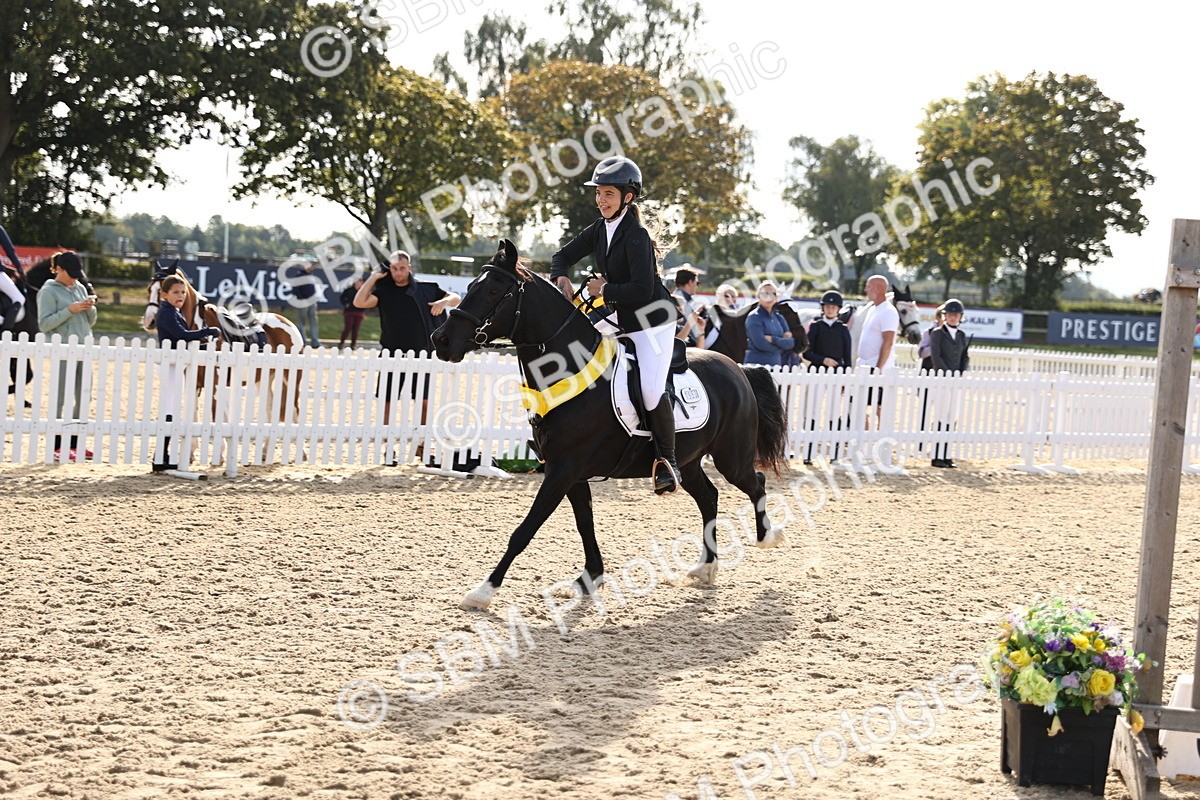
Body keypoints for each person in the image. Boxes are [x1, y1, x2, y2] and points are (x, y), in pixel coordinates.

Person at [550, 155, 682, 495]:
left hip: (652, 323)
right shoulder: (598, 229)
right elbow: (561, 256)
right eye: (598, 194)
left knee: (652, 390)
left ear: (628, 197)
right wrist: (561, 277)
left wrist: (603, 290)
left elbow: (642, 289)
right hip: (622, 316)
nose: (601, 200)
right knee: (581, 353)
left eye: (608, 194)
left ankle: (667, 462)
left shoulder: (635, 235)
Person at [354, 250, 460, 460]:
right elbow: (359, 302)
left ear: (409, 268)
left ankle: (421, 444)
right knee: (387, 401)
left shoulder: (426, 289)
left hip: (422, 356)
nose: (398, 273)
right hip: (391, 356)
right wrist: (374, 277)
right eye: (394, 269)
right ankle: (387, 447)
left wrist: (443, 303)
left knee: (424, 402)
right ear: (390, 269)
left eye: (402, 268)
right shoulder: (384, 291)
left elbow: (455, 298)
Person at [153, 275, 221, 472]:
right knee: (169, 409)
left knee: (173, 409)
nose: (180, 296)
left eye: (183, 292)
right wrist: (206, 332)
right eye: (175, 292)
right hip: (170, 365)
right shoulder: (166, 313)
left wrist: (202, 339)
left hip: (176, 363)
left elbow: (184, 338)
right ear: (164, 295)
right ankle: (161, 456)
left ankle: (164, 456)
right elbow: (182, 334)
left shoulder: (175, 311)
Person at [37, 252, 97, 461]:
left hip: (83, 348)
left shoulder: (79, 287)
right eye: (70, 274)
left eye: (76, 274)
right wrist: (69, 310)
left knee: (83, 397)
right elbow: (45, 324)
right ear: (59, 269)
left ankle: (75, 443)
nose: (74, 278)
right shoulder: (47, 292)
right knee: (60, 397)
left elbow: (89, 322)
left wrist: (90, 307)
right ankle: (56, 445)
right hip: (62, 349)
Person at [800, 290, 852, 465]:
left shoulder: (843, 329)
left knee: (833, 413)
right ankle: (808, 452)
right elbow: (807, 353)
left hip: (836, 376)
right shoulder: (816, 326)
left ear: (838, 309)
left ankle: (835, 454)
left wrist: (844, 376)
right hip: (817, 373)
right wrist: (823, 360)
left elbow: (848, 358)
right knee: (813, 411)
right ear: (823, 308)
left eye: (833, 307)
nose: (830, 309)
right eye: (827, 307)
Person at [928, 298, 970, 468]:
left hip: (956, 382)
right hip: (942, 381)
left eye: (956, 315)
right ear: (945, 316)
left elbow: (964, 356)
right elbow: (936, 356)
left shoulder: (961, 335)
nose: (953, 317)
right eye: (950, 314)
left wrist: (961, 372)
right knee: (941, 416)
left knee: (952, 417)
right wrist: (947, 373)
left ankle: (946, 454)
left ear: (960, 316)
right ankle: (937, 455)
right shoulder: (937, 333)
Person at [855, 275, 900, 428]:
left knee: (879, 405)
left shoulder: (888, 311)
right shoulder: (873, 309)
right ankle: (864, 433)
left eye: (869, 286)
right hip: (865, 365)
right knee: (862, 403)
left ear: (879, 288)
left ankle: (882, 433)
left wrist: (878, 368)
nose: (866, 289)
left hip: (877, 367)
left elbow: (888, 342)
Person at [743, 281, 794, 367]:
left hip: (776, 365)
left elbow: (790, 343)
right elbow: (760, 344)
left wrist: (773, 339)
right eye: (765, 293)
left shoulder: (779, 318)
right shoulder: (754, 317)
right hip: (755, 365)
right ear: (758, 296)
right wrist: (782, 343)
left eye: (773, 293)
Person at [291, 261, 320, 348]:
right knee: (301, 322)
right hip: (303, 301)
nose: (312, 268)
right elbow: (295, 289)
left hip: (312, 301)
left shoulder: (311, 275)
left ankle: (315, 342)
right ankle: (302, 341)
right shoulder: (299, 275)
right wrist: (301, 299)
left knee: (313, 321)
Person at [339, 277, 367, 349]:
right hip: (349, 312)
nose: (360, 283)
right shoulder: (348, 290)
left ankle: (353, 344)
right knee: (348, 328)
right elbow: (342, 298)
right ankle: (341, 343)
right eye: (359, 281)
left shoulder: (363, 291)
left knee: (356, 330)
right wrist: (346, 304)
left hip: (359, 312)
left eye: (361, 281)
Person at [918, 307, 946, 372]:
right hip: (928, 370)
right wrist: (936, 347)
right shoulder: (928, 332)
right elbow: (922, 354)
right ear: (937, 317)